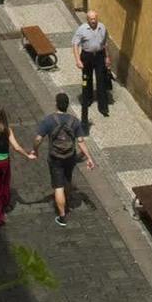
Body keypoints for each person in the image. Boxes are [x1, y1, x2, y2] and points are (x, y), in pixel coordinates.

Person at [32, 91, 93, 224]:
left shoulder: (49, 120)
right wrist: (89, 158)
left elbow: (38, 139)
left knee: (58, 186)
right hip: (70, 156)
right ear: (67, 105)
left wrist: (35, 150)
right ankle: (68, 197)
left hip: (55, 157)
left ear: (56, 104)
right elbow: (81, 141)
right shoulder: (74, 121)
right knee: (68, 178)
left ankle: (62, 216)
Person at [71, 10, 112, 117]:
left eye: (95, 18)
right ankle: (87, 99)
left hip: (99, 55)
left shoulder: (102, 27)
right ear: (87, 20)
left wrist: (107, 57)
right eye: (91, 19)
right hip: (87, 56)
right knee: (87, 79)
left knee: (101, 80)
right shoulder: (82, 29)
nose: (93, 21)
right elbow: (75, 45)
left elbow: (105, 43)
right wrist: (78, 60)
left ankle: (103, 107)